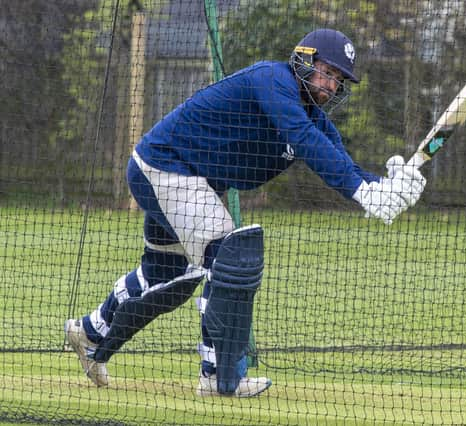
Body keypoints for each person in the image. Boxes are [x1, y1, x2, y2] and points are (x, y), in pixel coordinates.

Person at [64, 28, 426, 397]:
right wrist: (362, 191)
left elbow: (338, 160)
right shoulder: (272, 80)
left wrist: (386, 187)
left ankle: (89, 332)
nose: (331, 86)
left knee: (164, 273)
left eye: (339, 80)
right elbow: (303, 138)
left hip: (186, 181)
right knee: (226, 257)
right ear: (304, 59)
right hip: (165, 168)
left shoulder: (312, 119)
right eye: (327, 72)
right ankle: (218, 376)